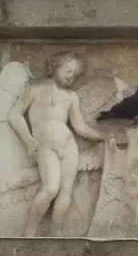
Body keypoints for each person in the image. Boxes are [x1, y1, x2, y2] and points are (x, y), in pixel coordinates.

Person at [8, 52, 107, 236]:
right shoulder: (35, 89)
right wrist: (29, 141)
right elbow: (15, 115)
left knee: (66, 192)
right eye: (68, 70)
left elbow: (81, 128)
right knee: (51, 188)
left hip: (68, 146)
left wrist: (104, 136)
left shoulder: (71, 97)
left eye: (75, 74)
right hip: (45, 147)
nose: (71, 76)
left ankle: (57, 234)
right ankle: (30, 231)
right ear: (55, 66)